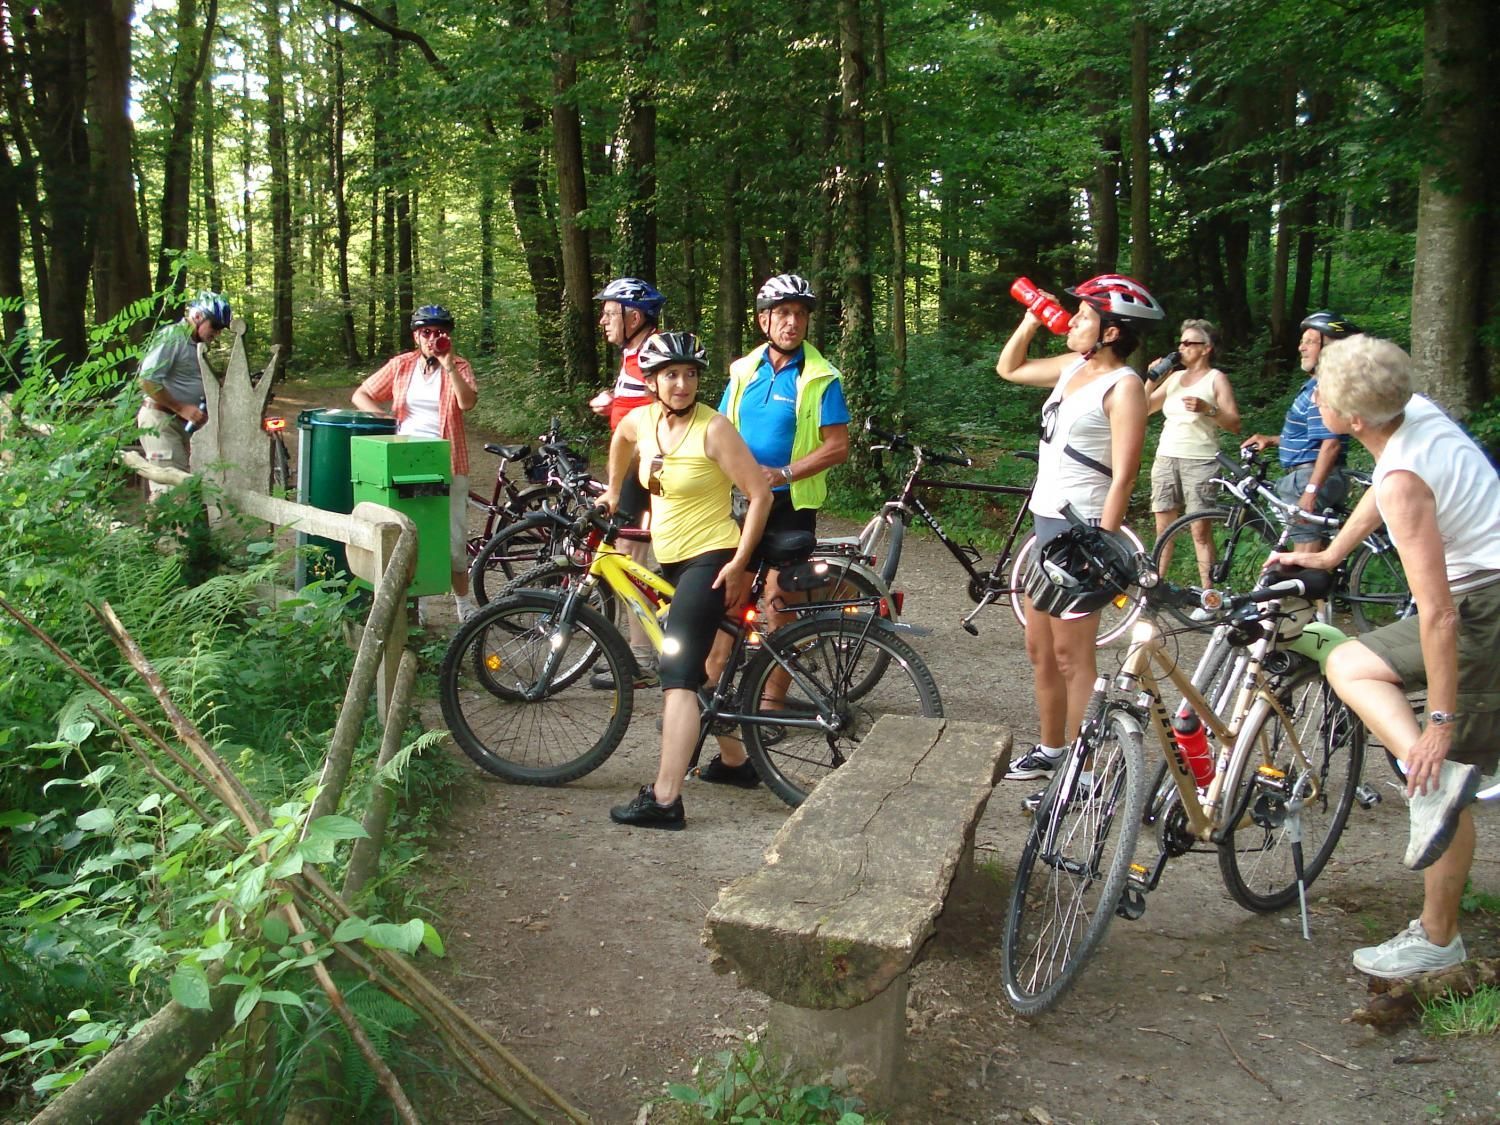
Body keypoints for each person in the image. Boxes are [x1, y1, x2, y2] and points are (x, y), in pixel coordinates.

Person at [1267, 334, 1499, 979]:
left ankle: (1438, 938)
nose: (1315, 397)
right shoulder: (1411, 412)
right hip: (1479, 592)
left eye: (1323, 394)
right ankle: (1434, 782)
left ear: (1354, 419)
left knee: (1443, 772)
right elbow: (1380, 482)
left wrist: (1440, 724)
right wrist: (1331, 553)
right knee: (1348, 661)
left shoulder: (1404, 483)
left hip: (1483, 606)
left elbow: (1440, 614)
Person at [601, 332, 772, 829]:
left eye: (691, 374)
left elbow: (759, 495)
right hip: (673, 559)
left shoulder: (714, 429)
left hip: (711, 560)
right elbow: (621, 438)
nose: (682, 384)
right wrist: (613, 491)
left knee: (676, 675)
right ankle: (736, 763)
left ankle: (665, 800)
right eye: (671, 375)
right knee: (695, 667)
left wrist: (739, 562)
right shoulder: (644, 420)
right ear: (653, 381)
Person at [995, 274, 1162, 783]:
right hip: (1046, 524)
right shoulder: (1073, 367)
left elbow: (1125, 476)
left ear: (1111, 332)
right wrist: (1030, 320)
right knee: (1041, 650)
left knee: (1072, 655)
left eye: (1085, 316)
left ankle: (1081, 768)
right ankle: (1051, 750)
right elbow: (1009, 368)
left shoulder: (1124, 387)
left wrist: (1101, 545)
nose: (1072, 321)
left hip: (1083, 531)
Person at [712, 273, 850, 746]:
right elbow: (717, 428)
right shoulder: (743, 371)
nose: (792, 322)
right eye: (783, 313)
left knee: (777, 602)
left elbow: (837, 447)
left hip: (790, 504)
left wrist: (785, 473)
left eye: (800, 314)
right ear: (764, 320)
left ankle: (771, 706)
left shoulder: (821, 377)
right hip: (740, 500)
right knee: (730, 594)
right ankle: (713, 693)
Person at [352, 304, 479, 623]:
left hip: (447, 461)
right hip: (404, 461)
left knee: (453, 539)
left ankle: (464, 604)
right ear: (416, 336)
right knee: (410, 533)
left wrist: (448, 366)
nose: (433, 338)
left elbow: (467, 403)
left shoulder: (459, 365)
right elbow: (362, 394)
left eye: (440, 332)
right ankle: (418, 606)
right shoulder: (402, 365)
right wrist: (383, 418)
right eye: (426, 332)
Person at [588, 278, 666, 689]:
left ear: (633, 317)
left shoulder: (651, 355)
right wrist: (613, 401)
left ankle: (641, 659)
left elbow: (663, 409)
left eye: (609, 312)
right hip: (636, 470)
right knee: (630, 557)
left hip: (645, 472)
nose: (603, 320)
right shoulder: (634, 353)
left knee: (631, 560)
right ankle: (644, 651)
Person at [1241, 310, 1359, 544]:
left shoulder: (1324, 388)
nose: (1301, 348)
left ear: (1330, 348)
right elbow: (1314, 438)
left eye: (1310, 342)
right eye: (1302, 341)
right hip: (1316, 476)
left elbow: (1331, 443)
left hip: (1309, 478)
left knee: (1305, 557)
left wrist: (1310, 491)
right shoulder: (1317, 385)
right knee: (1319, 555)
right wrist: (1271, 440)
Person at [1144, 318, 1241, 586]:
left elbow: (1234, 424)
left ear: (1206, 348)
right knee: (1163, 529)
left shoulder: (1216, 379)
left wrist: (1208, 409)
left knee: (1200, 530)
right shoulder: (1174, 378)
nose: (1181, 348)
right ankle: (1153, 589)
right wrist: (1151, 380)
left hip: (1200, 460)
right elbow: (1143, 408)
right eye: (1181, 342)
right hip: (1166, 457)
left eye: (1188, 343)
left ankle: (1209, 594)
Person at [136, 291, 232, 500]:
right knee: (170, 491)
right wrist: (181, 408)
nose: (217, 333)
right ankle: (159, 522)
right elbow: (147, 380)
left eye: (221, 329)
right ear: (198, 316)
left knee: (185, 489)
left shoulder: (195, 344)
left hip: (181, 424)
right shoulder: (173, 337)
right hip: (160, 421)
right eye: (215, 326)